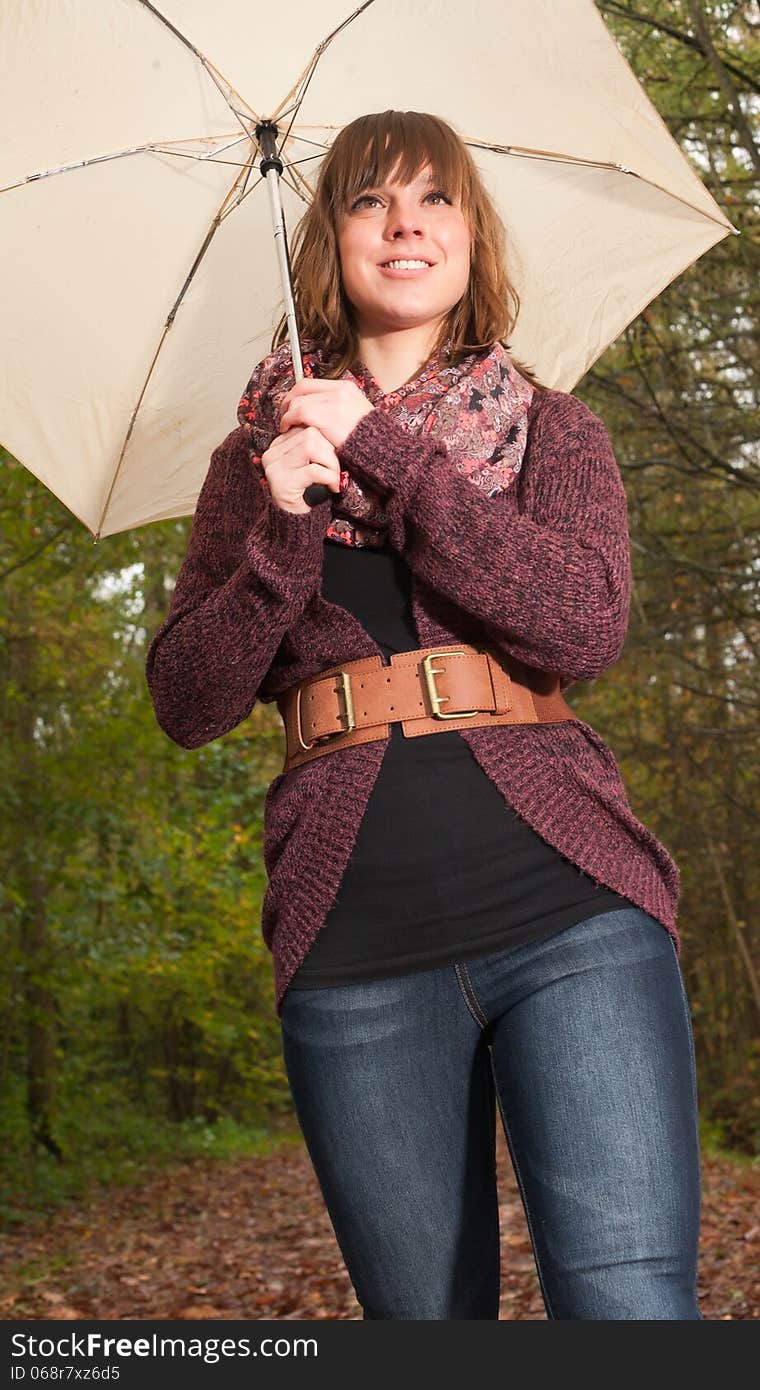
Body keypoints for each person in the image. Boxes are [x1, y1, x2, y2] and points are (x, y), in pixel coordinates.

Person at [146, 110, 702, 1321]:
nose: (405, 222)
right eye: (369, 200)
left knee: (629, 1305)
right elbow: (187, 702)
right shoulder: (252, 467)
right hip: (355, 952)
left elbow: (580, 626)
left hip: (573, 916)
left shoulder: (555, 431)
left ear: (469, 236)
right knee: (426, 1328)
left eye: (434, 199)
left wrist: (388, 453)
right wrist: (277, 537)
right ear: (330, 245)